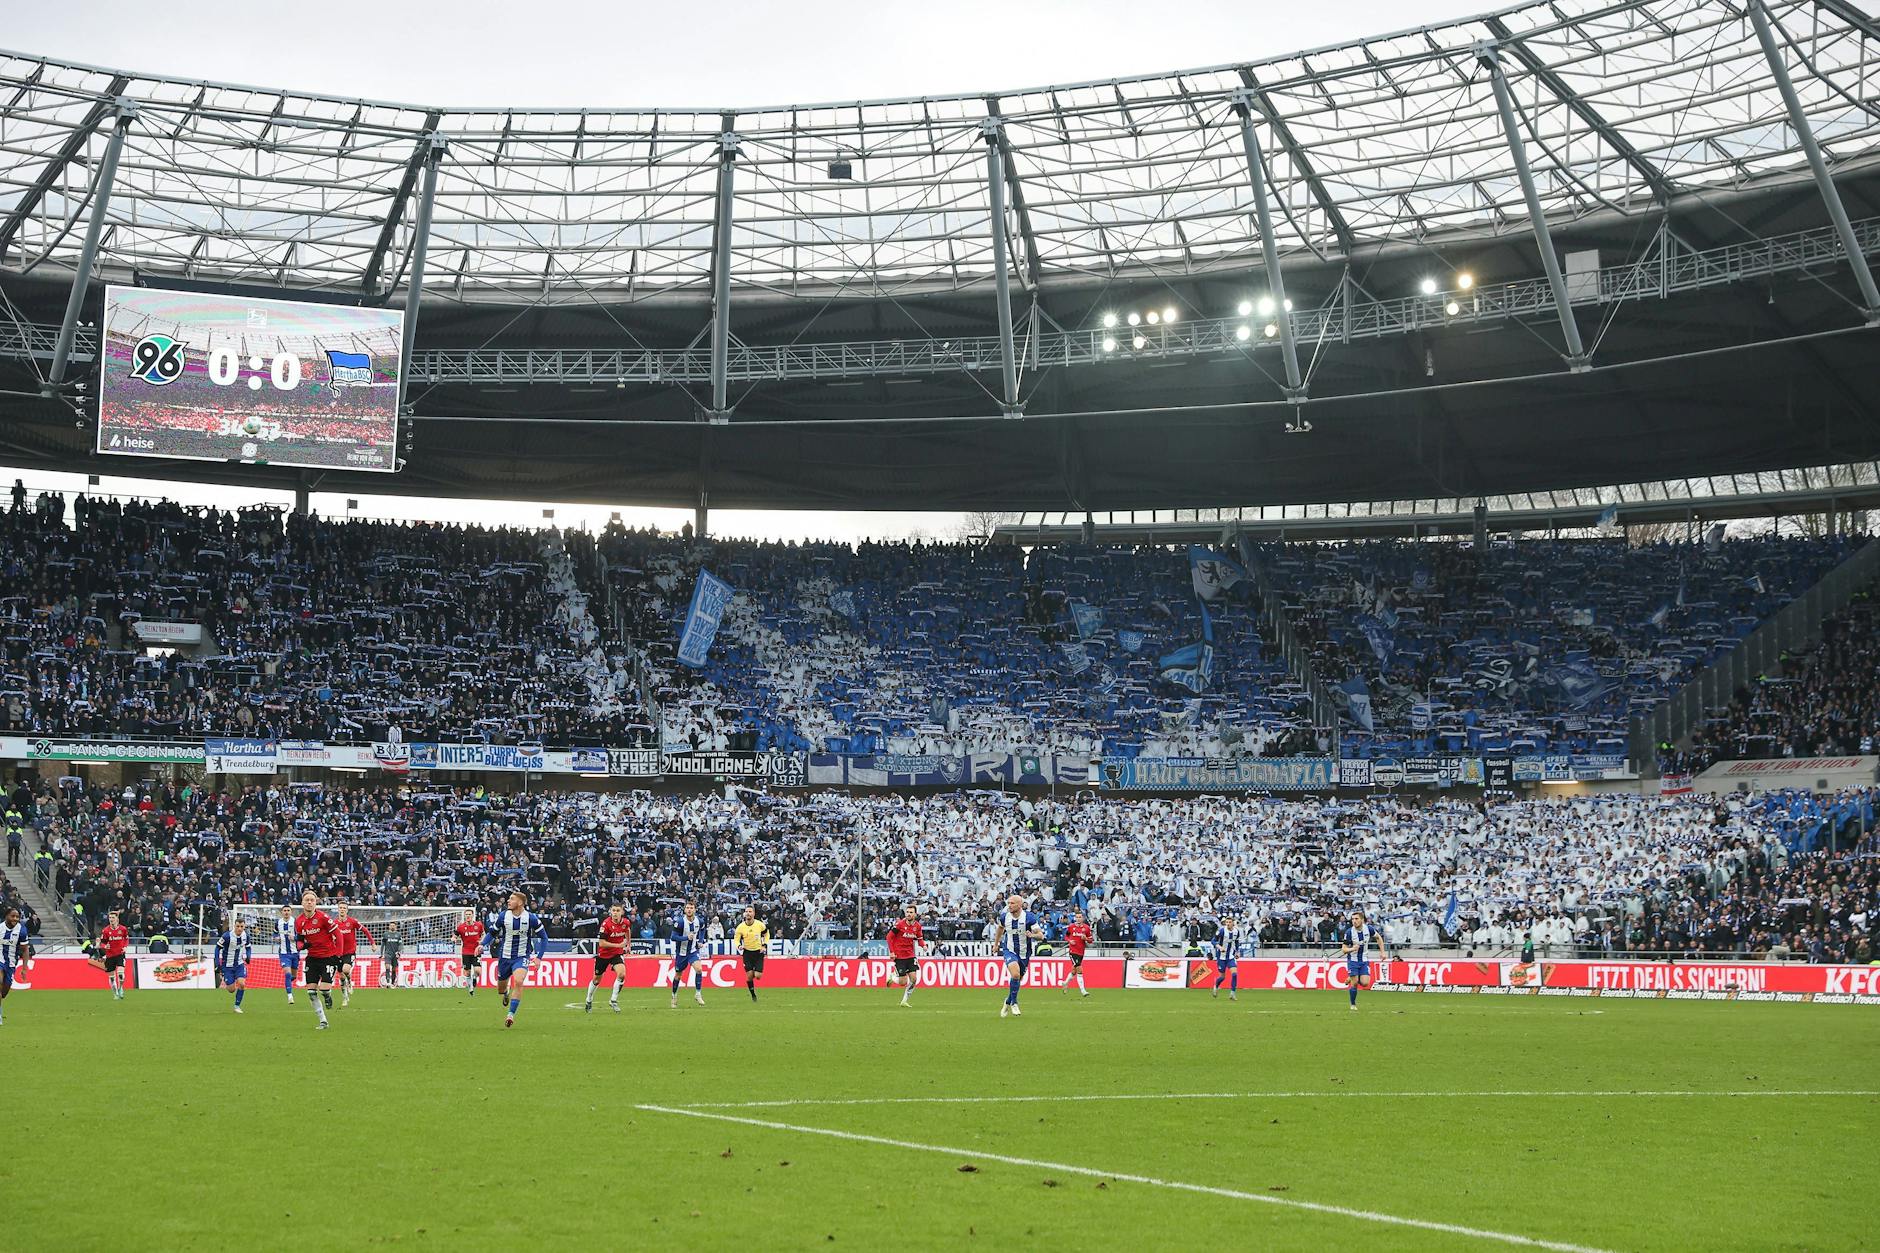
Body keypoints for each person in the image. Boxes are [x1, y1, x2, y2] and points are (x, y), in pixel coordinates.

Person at [488, 891, 548, 1028]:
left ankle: (510, 1015)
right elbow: (492, 933)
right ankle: (506, 993)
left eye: (512, 899)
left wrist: (539, 958)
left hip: (521, 956)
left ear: (520, 903)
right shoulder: (503, 916)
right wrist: (481, 945)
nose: (508, 901)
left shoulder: (531, 918)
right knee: (501, 989)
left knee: (519, 981)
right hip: (505, 957)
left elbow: (544, 938)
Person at [293, 891, 340, 1030]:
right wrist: (302, 946)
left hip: (327, 957)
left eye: (312, 900)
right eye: (307, 900)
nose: (309, 902)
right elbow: (300, 941)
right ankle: (323, 1021)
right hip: (312, 958)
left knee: (324, 989)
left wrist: (338, 953)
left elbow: (337, 934)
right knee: (311, 992)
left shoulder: (323, 917)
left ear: (315, 902)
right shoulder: (299, 921)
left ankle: (328, 996)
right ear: (302, 903)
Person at [993, 895, 1044, 1018]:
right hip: (1009, 950)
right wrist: (996, 944)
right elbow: (1000, 928)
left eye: (1012, 903)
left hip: (1024, 953)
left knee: (1017, 980)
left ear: (1019, 905)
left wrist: (1032, 935)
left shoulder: (1029, 917)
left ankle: (1007, 1001)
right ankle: (1014, 1003)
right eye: (1008, 903)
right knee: (1015, 974)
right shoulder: (1005, 916)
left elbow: (1041, 935)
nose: (1009, 905)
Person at [1340, 909, 1391, 1011]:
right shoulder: (1349, 932)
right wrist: (1352, 949)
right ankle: (1353, 1005)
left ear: (1362, 920)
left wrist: (1382, 952)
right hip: (1353, 960)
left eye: (1356, 919)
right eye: (1352, 919)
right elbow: (1343, 949)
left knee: (1365, 983)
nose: (1354, 921)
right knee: (1355, 984)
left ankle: (1351, 977)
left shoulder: (1369, 929)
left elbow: (1378, 938)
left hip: (1364, 959)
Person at [586, 903, 631, 1014]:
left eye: (617, 910)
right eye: (613, 910)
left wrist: (628, 944)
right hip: (604, 955)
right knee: (596, 979)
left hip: (616, 954)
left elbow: (627, 931)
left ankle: (613, 1000)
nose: (615, 913)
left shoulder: (626, 922)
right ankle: (589, 1000)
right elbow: (601, 943)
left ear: (622, 912)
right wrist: (619, 945)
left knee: (622, 974)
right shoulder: (606, 924)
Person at [331, 904, 373, 1008]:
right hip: (338, 952)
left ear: (347, 910)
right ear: (338, 910)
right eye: (340, 908)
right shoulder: (334, 923)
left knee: (346, 970)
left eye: (344, 908)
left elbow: (365, 930)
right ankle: (345, 997)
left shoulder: (352, 921)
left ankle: (349, 981)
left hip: (349, 952)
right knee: (341, 977)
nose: (342, 910)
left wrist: (372, 943)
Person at [885, 903, 922, 1007]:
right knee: (903, 982)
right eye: (907, 912)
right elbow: (889, 937)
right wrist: (892, 952)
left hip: (910, 955)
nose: (908, 914)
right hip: (899, 955)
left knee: (914, 979)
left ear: (915, 914)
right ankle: (893, 976)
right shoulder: (900, 924)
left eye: (911, 912)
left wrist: (923, 945)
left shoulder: (917, 926)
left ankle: (904, 1001)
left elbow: (920, 939)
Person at [670, 901, 705, 1009]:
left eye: (691, 908)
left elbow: (703, 929)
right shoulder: (680, 922)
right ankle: (674, 996)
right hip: (681, 953)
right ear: (685, 910)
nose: (689, 910)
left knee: (699, 969)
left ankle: (698, 994)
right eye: (687, 908)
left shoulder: (699, 921)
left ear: (695, 910)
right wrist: (686, 938)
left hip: (693, 951)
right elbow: (673, 937)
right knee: (678, 975)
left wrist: (701, 941)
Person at [0, 906, 30, 1026]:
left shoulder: (21, 931)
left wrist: (24, 968)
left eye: (17, 917)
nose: (15, 918)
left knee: (4, 992)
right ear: (6, 916)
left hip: (11, 963)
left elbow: (25, 950)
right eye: (12, 916)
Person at [216, 917, 252, 1014]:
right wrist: (217, 963)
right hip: (227, 966)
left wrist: (248, 956)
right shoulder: (227, 936)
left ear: (244, 926)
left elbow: (248, 947)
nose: (239, 928)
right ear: (234, 926)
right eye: (237, 926)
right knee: (231, 990)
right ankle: (225, 978)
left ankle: (237, 1006)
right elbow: (217, 948)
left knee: (242, 984)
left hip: (239, 964)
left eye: (241, 926)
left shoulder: (246, 936)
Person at [733, 905, 769, 1002]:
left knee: (758, 976)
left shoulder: (760, 925)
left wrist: (764, 945)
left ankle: (752, 972)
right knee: (749, 976)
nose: (748, 913)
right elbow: (736, 939)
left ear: (753, 913)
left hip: (758, 952)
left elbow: (766, 934)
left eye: (750, 911)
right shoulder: (740, 927)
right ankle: (753, 994)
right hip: (747, 953)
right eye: (746, 911)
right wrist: (739, 946)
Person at [98, 911, 130, 1002]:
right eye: (110, 918)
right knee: (112, 978)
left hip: (120, 954)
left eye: (113, 918)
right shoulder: (106, 930)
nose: (111, 919)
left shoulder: (123, 929)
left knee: (120, 975)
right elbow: (102, 943)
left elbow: (126, 939)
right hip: (110, 956)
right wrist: (105, 946)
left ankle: (120, 988)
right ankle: (115, 994)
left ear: (117, 919)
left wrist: (125, 947)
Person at [1062, 910, 1094, 998]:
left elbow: (1091, 940)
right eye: (1077, 917)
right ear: (1075, 918)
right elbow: (1066, 936)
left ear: (1083, 918)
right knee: (1079, 969)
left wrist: (1086, 938)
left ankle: (1065, 983)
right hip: (1073, 951)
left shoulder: (1086, 928)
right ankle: (1083, 991)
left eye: (1080, 917)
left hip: (1081, 952)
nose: (1078, 919)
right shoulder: (1071, 927)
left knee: (1074, 971)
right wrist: (1069, 941)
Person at [1211, 915, 1243, 1001]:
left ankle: (1232, 993)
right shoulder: (1222, 931)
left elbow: (1236, 942)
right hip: (1221, 957)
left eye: (1229, 922)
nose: (1228, 924)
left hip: (1230, 957)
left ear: (1233, 923)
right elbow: (1213, 941)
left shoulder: (1236, 931)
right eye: (1227, 922)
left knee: (1234, 974)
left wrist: (1237, 952)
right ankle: (1216, 986)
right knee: (1222, 977)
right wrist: (1219, 947)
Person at [454, 908, 485, 995]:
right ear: (465, 916)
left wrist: (481, 941)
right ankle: (471, 988)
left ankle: (474, 978)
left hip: (476, 951)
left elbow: (483, 934)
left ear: (472, 915)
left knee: (478, 970)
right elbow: (455, 935)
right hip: (466, 952)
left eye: (469, 914)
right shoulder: (461, 927)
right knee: (467, 972)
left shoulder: (478, 925)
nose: (468, 916)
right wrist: (453, 938)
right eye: (466, 914)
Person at [274, 905, 300, 1004]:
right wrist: (276, 938)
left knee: (293, 976)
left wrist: (295, 937)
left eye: (288, 910)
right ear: (281, 912)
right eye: (284, 910)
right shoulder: (278, 923)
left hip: (295, 953)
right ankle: (290, 996)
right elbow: (275, 933)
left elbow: (301, 936)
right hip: (284, 953)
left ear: (291, 912)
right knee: (287, 973)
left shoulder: (295, 922)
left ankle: (289, 983)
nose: (286, 912)